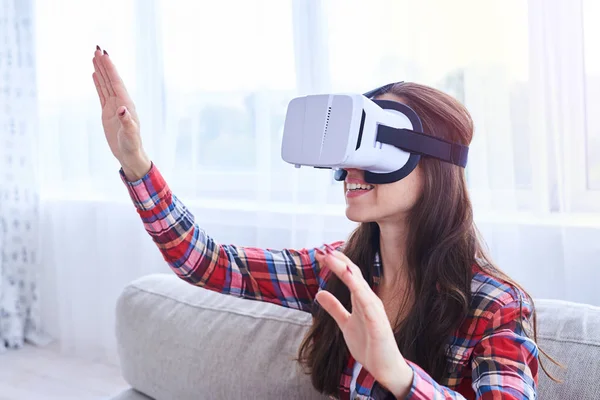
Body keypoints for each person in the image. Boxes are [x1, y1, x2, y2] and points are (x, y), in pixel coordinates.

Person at [92, 46, 550, 399]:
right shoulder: (339, 273)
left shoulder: (494, 308)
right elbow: (206, 264)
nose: (350, 168)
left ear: (434, 165)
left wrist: (401, 377)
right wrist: (135, 162)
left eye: (367, 146)